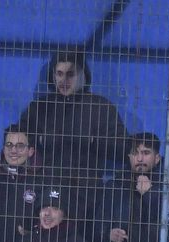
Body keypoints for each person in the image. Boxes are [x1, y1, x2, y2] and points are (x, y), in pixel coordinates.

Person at [17, 49, 127, 231]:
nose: (63, 80)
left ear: (83, 75)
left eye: (70, 74)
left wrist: (93, 142)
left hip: (86, 197)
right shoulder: (40, 108)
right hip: (47, 195)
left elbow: (123, 148)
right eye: (59, 74)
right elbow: (19, 141)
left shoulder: (100, 107)